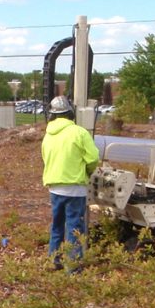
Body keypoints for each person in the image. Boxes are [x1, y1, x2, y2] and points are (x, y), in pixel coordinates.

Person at [41, 95, 100, 268]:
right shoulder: (79, 132)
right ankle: (72, 267)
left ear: (52, 114)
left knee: (57, 226)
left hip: (54, 188)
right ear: (70, 113)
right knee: (74, 228)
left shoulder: (48, 135)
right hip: (75, 188)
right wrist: (87, 173)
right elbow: (93, 158)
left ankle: (54, 261)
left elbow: (46, 159)